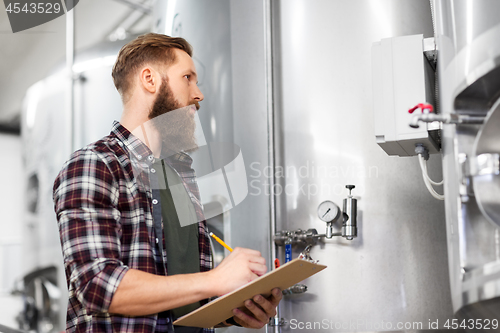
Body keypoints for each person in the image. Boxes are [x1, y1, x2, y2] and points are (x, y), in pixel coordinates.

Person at [52, 33, 282, 333]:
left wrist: (235, 309)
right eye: (187, 77)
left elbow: (183, 297)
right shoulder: (95, 165)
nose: (198, 94)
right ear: (150, 79)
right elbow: (98, 285)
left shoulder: (180, 176)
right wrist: (216, 279)